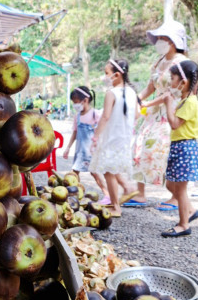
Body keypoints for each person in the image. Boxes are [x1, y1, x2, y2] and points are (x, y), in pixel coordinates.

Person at [124, 20, 187, 209]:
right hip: (152, 114)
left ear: (174, 41)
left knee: (164, 152)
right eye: (158, 38)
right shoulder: (159, 61)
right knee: (140, 148)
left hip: (170, 111)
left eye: (163, 38)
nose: (159, 41)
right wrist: (136, 98)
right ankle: (140, 194)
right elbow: (151, 87)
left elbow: (180, 91)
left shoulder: (182, 63)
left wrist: (151, 102)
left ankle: (176, 197)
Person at [88, 60, 139, 217]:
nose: (105, 77)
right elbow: (137, 114)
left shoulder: (112, 93)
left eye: (106, 73)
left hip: (111, 136)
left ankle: (116, 206)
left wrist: (96, 136)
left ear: (117, 75)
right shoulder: (132, 92)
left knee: (108, 170)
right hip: (124, 136)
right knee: (112, 166)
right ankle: (128, 187)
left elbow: (105, 116)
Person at [161, 60, 198, 237]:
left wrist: (168, 104)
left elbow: (175, 124)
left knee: (181, 189)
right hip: (180, 147)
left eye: (172, 78)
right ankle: (190, 210)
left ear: (183, 82)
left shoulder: (190, 102)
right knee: (171, 184)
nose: (170, 83)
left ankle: (184, 224)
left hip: (185, 147)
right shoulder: (185, 100)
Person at [62, 86, 104, 186]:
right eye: (73, 102)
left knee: (94, 173)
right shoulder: (78, 116)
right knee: (75, 173)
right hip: (80, 152)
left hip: (91, 152)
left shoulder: (95, 114)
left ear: (85, 100)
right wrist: (68, 148)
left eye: (76, 102)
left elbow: (101, 131)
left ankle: (107, 194)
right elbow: (74, 133)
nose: (75, 105)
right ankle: (75, 193)